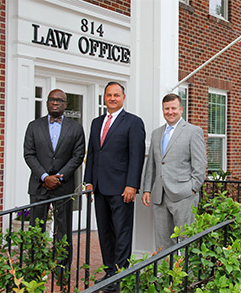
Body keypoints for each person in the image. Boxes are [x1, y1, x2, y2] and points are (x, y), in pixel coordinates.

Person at [84, 81, 146, 288]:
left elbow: (136, 156)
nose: (112, 98)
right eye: (109, 95)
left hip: (122, 189)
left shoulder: (133, 122)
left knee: (122, 232)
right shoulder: (96, 122)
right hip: (100, 188)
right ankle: (109, 271)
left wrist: (132, 185)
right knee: (104, 232)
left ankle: (120, 274)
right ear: (104, 97)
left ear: (123, 98)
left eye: (116, 95)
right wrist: (88, 181)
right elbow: (92, 153)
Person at [23, 89, 85, 271]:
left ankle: (61, 267)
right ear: (47, 103)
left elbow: (78, 155)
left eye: (59, 100)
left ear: (66, 105)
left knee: (63, 229)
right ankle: (36, 265)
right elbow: (29, 154)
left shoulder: (75, 128)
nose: (55, 103)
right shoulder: (33, 126)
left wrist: (60, 177)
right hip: (38, 186)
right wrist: (44, 176)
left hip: (63, 186)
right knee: (36, 229)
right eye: (52, 100)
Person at [142, 93, 207, 251]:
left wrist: (192, 188)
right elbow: (152, 164)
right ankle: (165, 275)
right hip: (160, 195)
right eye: (166, 109)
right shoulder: (156, 133)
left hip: (183, 195)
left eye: (173, 108)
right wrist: (147, 189)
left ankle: (188, 276)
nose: (170, 112)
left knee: (186, 240)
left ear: (181, 109)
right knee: (163, 242)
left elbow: (200, 164)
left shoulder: (193, 131)